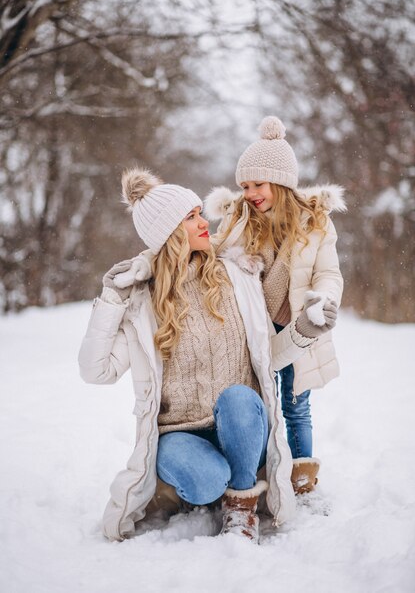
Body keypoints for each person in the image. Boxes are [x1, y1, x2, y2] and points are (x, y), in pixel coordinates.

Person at [78, 166, 337, 543]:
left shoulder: (237, 277)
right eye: (192, 217)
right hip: (179, 434)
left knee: (237, 397)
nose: (205, 223)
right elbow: (95, 371)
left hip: (240, 423)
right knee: (205, 482)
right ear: (169, 233)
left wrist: (305, 331)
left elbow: (269, 359)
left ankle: (241, 503)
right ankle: (216, 480)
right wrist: (111, 300)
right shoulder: (143, 301)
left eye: (200, 212)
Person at [205, 115, 346, 495]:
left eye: (258, 184)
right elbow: (213, 258)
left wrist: (323, 301)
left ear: (281, 182)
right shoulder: (237, 218)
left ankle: (302, 478)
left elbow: (328, 272)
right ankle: (254, 469)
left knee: (296, 405)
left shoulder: (315, 223)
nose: (250, 193)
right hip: (252, 328)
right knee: (254, 401)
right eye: (245, 185)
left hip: (299, 325)